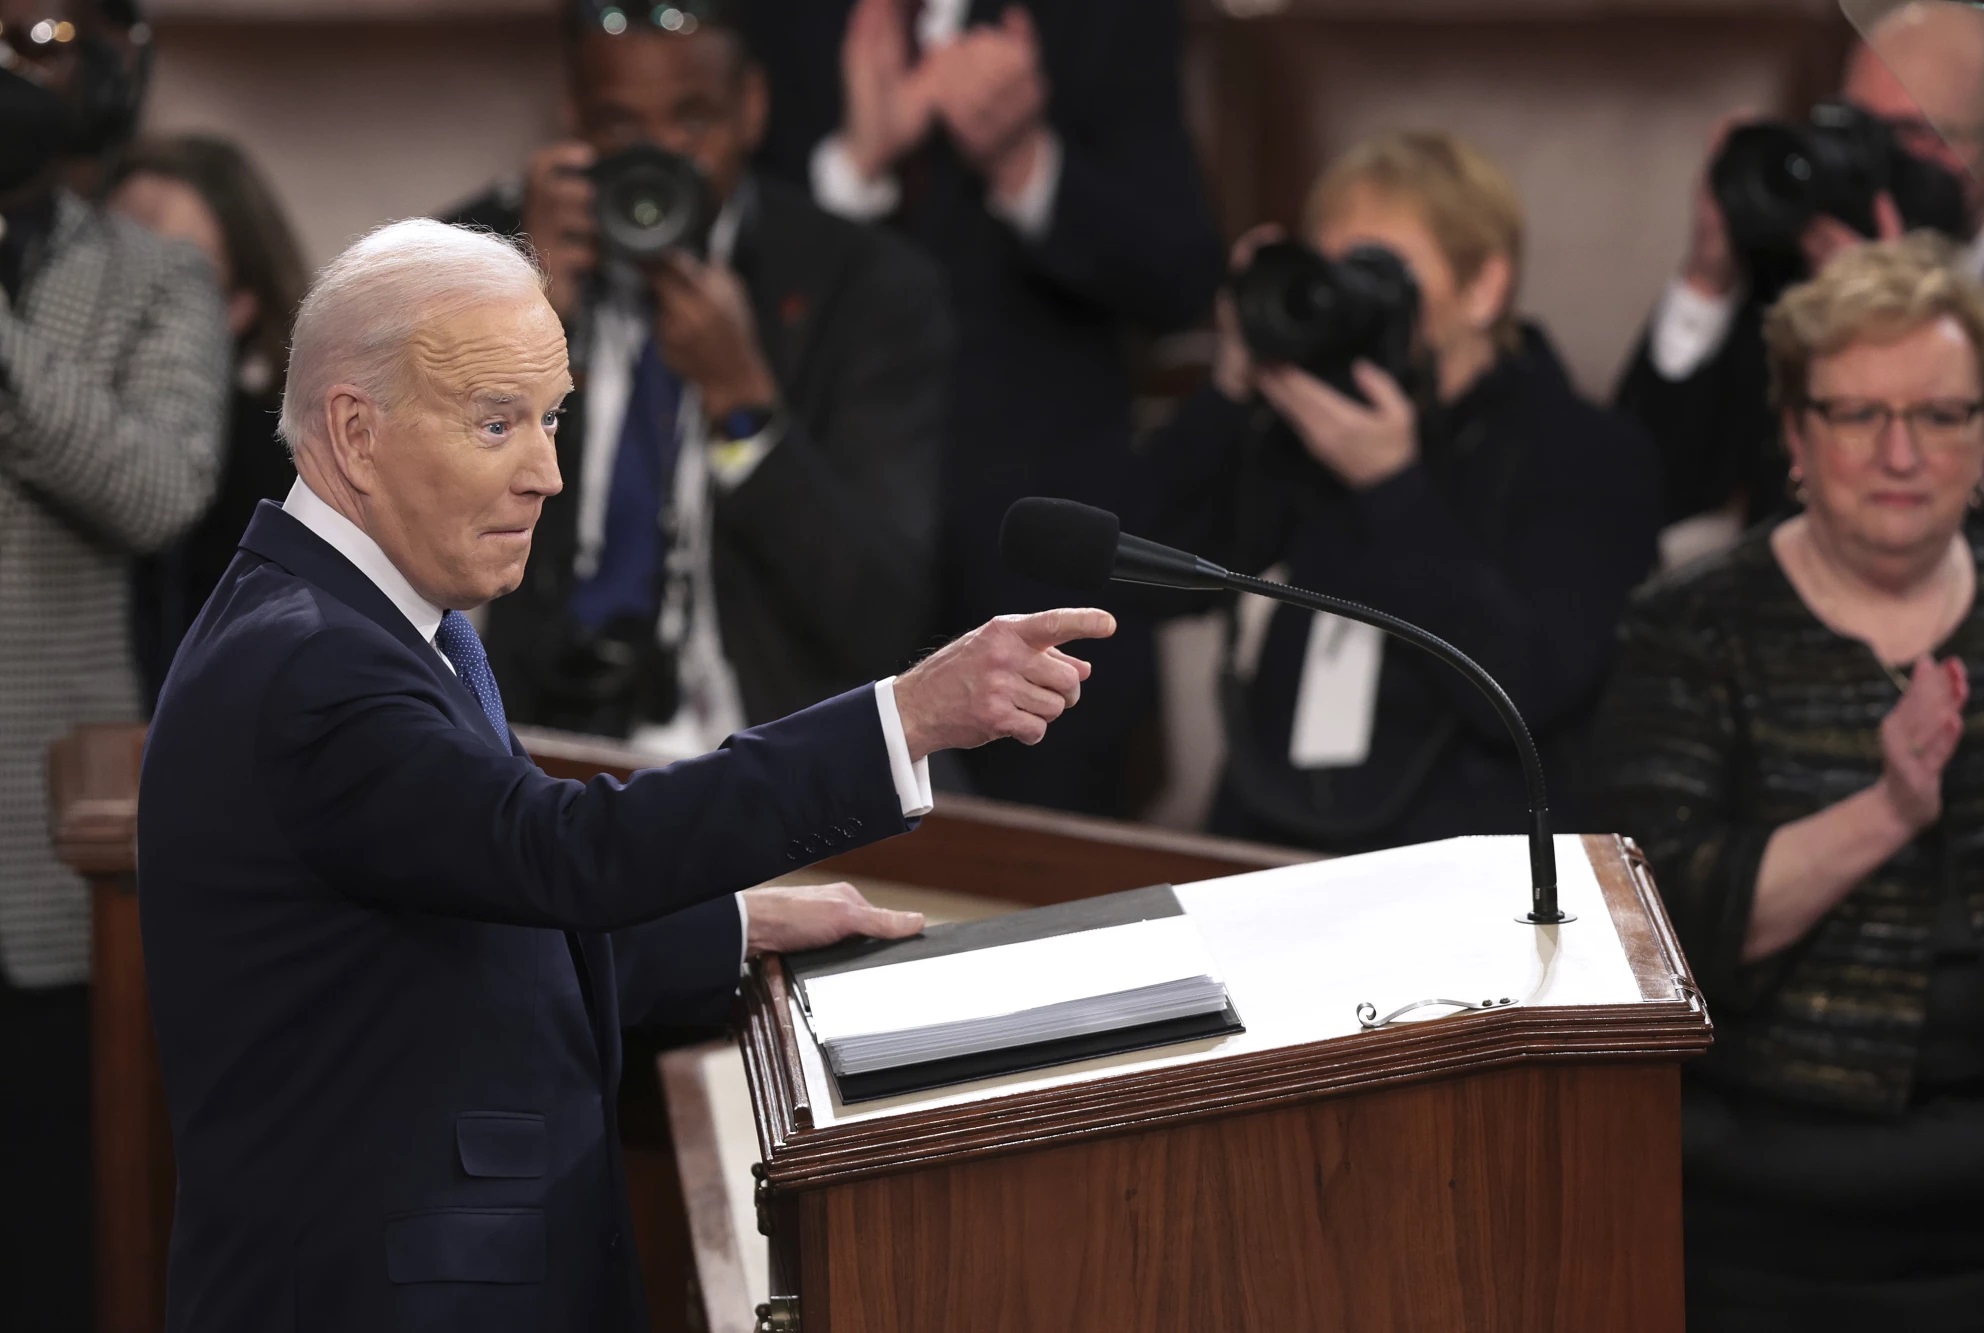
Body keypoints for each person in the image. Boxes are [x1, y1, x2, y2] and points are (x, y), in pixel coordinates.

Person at [137, 217, 1112, 1330]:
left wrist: (734, 928)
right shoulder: (314, 666)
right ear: (356, 435)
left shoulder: (348, 621)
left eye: (551, 419)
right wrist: (906, 716)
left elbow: (469, 913)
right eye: (495, 422)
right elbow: (558, 853)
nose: (546, 473)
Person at [1595, 234, 1984, 1329]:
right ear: (1791, 435)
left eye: (1941, 414)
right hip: (1771, 1219)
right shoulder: (1691, 628)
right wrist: (1887, 811)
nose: (1900, 452)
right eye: (1857, 414)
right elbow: (1652, 928)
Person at [743, 0, 1224, 815]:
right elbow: (715, 276)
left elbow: (1182, 279)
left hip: (1033, 547)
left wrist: (1025, 162)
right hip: (817, 543)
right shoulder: (779, 22)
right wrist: (855, 169)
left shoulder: (1107, 21)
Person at [450, 0, 950, 757]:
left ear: (751, 109)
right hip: (542, 750)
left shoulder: (863, 289)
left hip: (774, 751)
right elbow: (404, 534)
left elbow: (879, 613)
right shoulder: (466, 267)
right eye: (619, 127)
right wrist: (526, 326)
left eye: (692, 122)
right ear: (572, 116)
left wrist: (746, 405)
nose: (657, 161)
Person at [1143, 131, 1660, 854]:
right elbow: (1141, 585)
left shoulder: (1587, 455)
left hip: (1465, 862)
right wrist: (1231, 385)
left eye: (1381, 270)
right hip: (1262, 841)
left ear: (1484, 287)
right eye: (1335, 270)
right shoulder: (1298, 424)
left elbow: (1526, 687)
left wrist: (1392, 487)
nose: (1352, 298)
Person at [0, 3, 230, 1328]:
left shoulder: (155, 277)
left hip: (49, 879)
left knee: (62, 1260)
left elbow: (155, 490)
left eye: (34, 30)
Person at [1616, 0, 1984, 528]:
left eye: (1914, 135)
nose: (1878, 162)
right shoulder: (1805, 259)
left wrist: (1893, 323)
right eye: (1857, 128)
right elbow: (1639, 491)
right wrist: (1709, 279)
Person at [110, 134, 308, 708]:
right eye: (113, 267)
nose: (128, 304)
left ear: (240, 307)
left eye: (176, 280)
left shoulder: (290, 483)